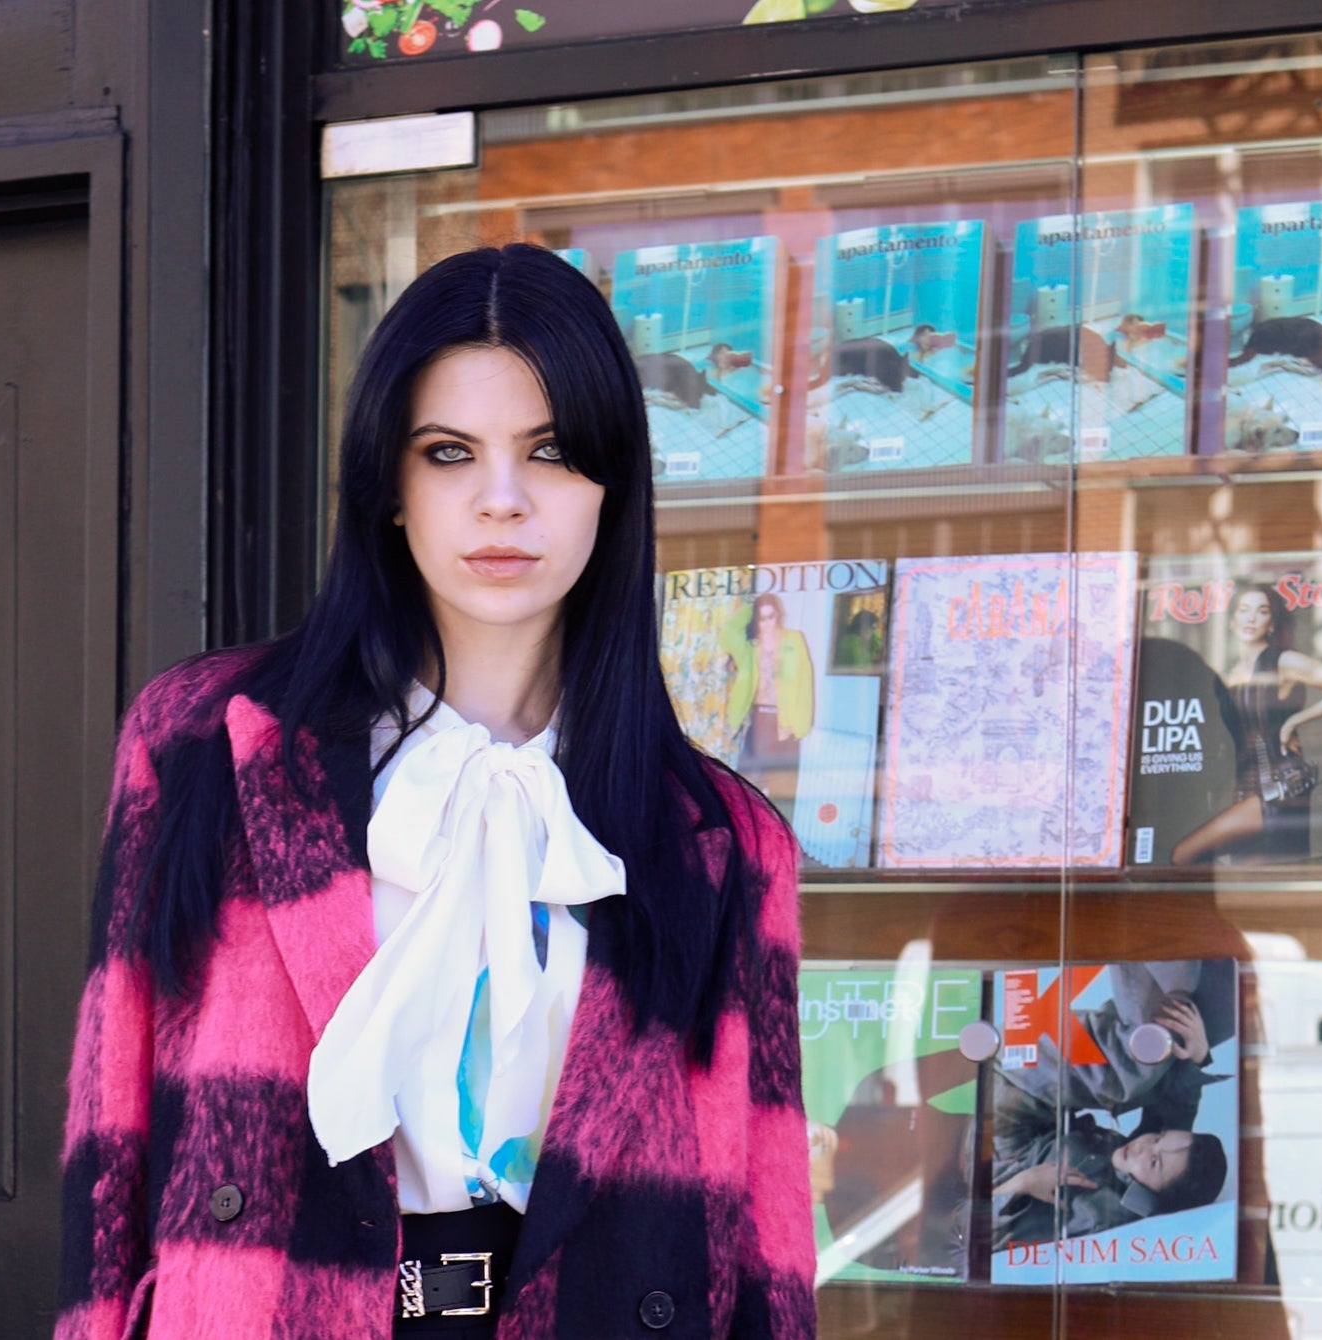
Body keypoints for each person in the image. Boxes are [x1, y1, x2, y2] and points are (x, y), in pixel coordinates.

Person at [55, 245, 813, 1339]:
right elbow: (108, 1141)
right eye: (450, 452)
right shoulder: (202, 745)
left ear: (611, 488)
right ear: (392, 489)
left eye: (551, 451)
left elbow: (767, 1242)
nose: (502, 501)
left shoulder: (726, 843)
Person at [988, 961, 1232, 1251]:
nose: (1144, 1146)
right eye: (1158, 1138)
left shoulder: (1098, 1214)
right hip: (1035, 1098)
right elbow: (1176, 1111)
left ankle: (1143, 950)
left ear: (1156, 1199)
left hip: (1004, 1099)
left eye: (1154, 1161)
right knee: (1197, 1028)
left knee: (1136, 1067)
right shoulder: (1142, 1170)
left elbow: (961, 1234)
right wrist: (1199, 1056)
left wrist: (1019, 1186)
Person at [1171, 587, 1322, 865]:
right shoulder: (1228, 674)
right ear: (1232, 621)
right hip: (1244, 790)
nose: (1251, 618)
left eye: (1262, 612)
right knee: (1250, 883)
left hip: (1281, 786)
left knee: (1183, 855)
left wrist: (1295, 720)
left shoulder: (1282, 660)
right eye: (1244, 610)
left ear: (1272, 624)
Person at [722, 592, 815, 801]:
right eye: (761, 619)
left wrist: (800, 726)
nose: (767, 624)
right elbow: (728, 633)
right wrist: (751, 608)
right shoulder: (750, 647)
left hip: (785, 722)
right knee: (746, 786)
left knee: (783, 790)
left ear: (778, 615)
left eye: (770, 616)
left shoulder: (794, 640)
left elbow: (805, 682)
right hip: (758, 720)